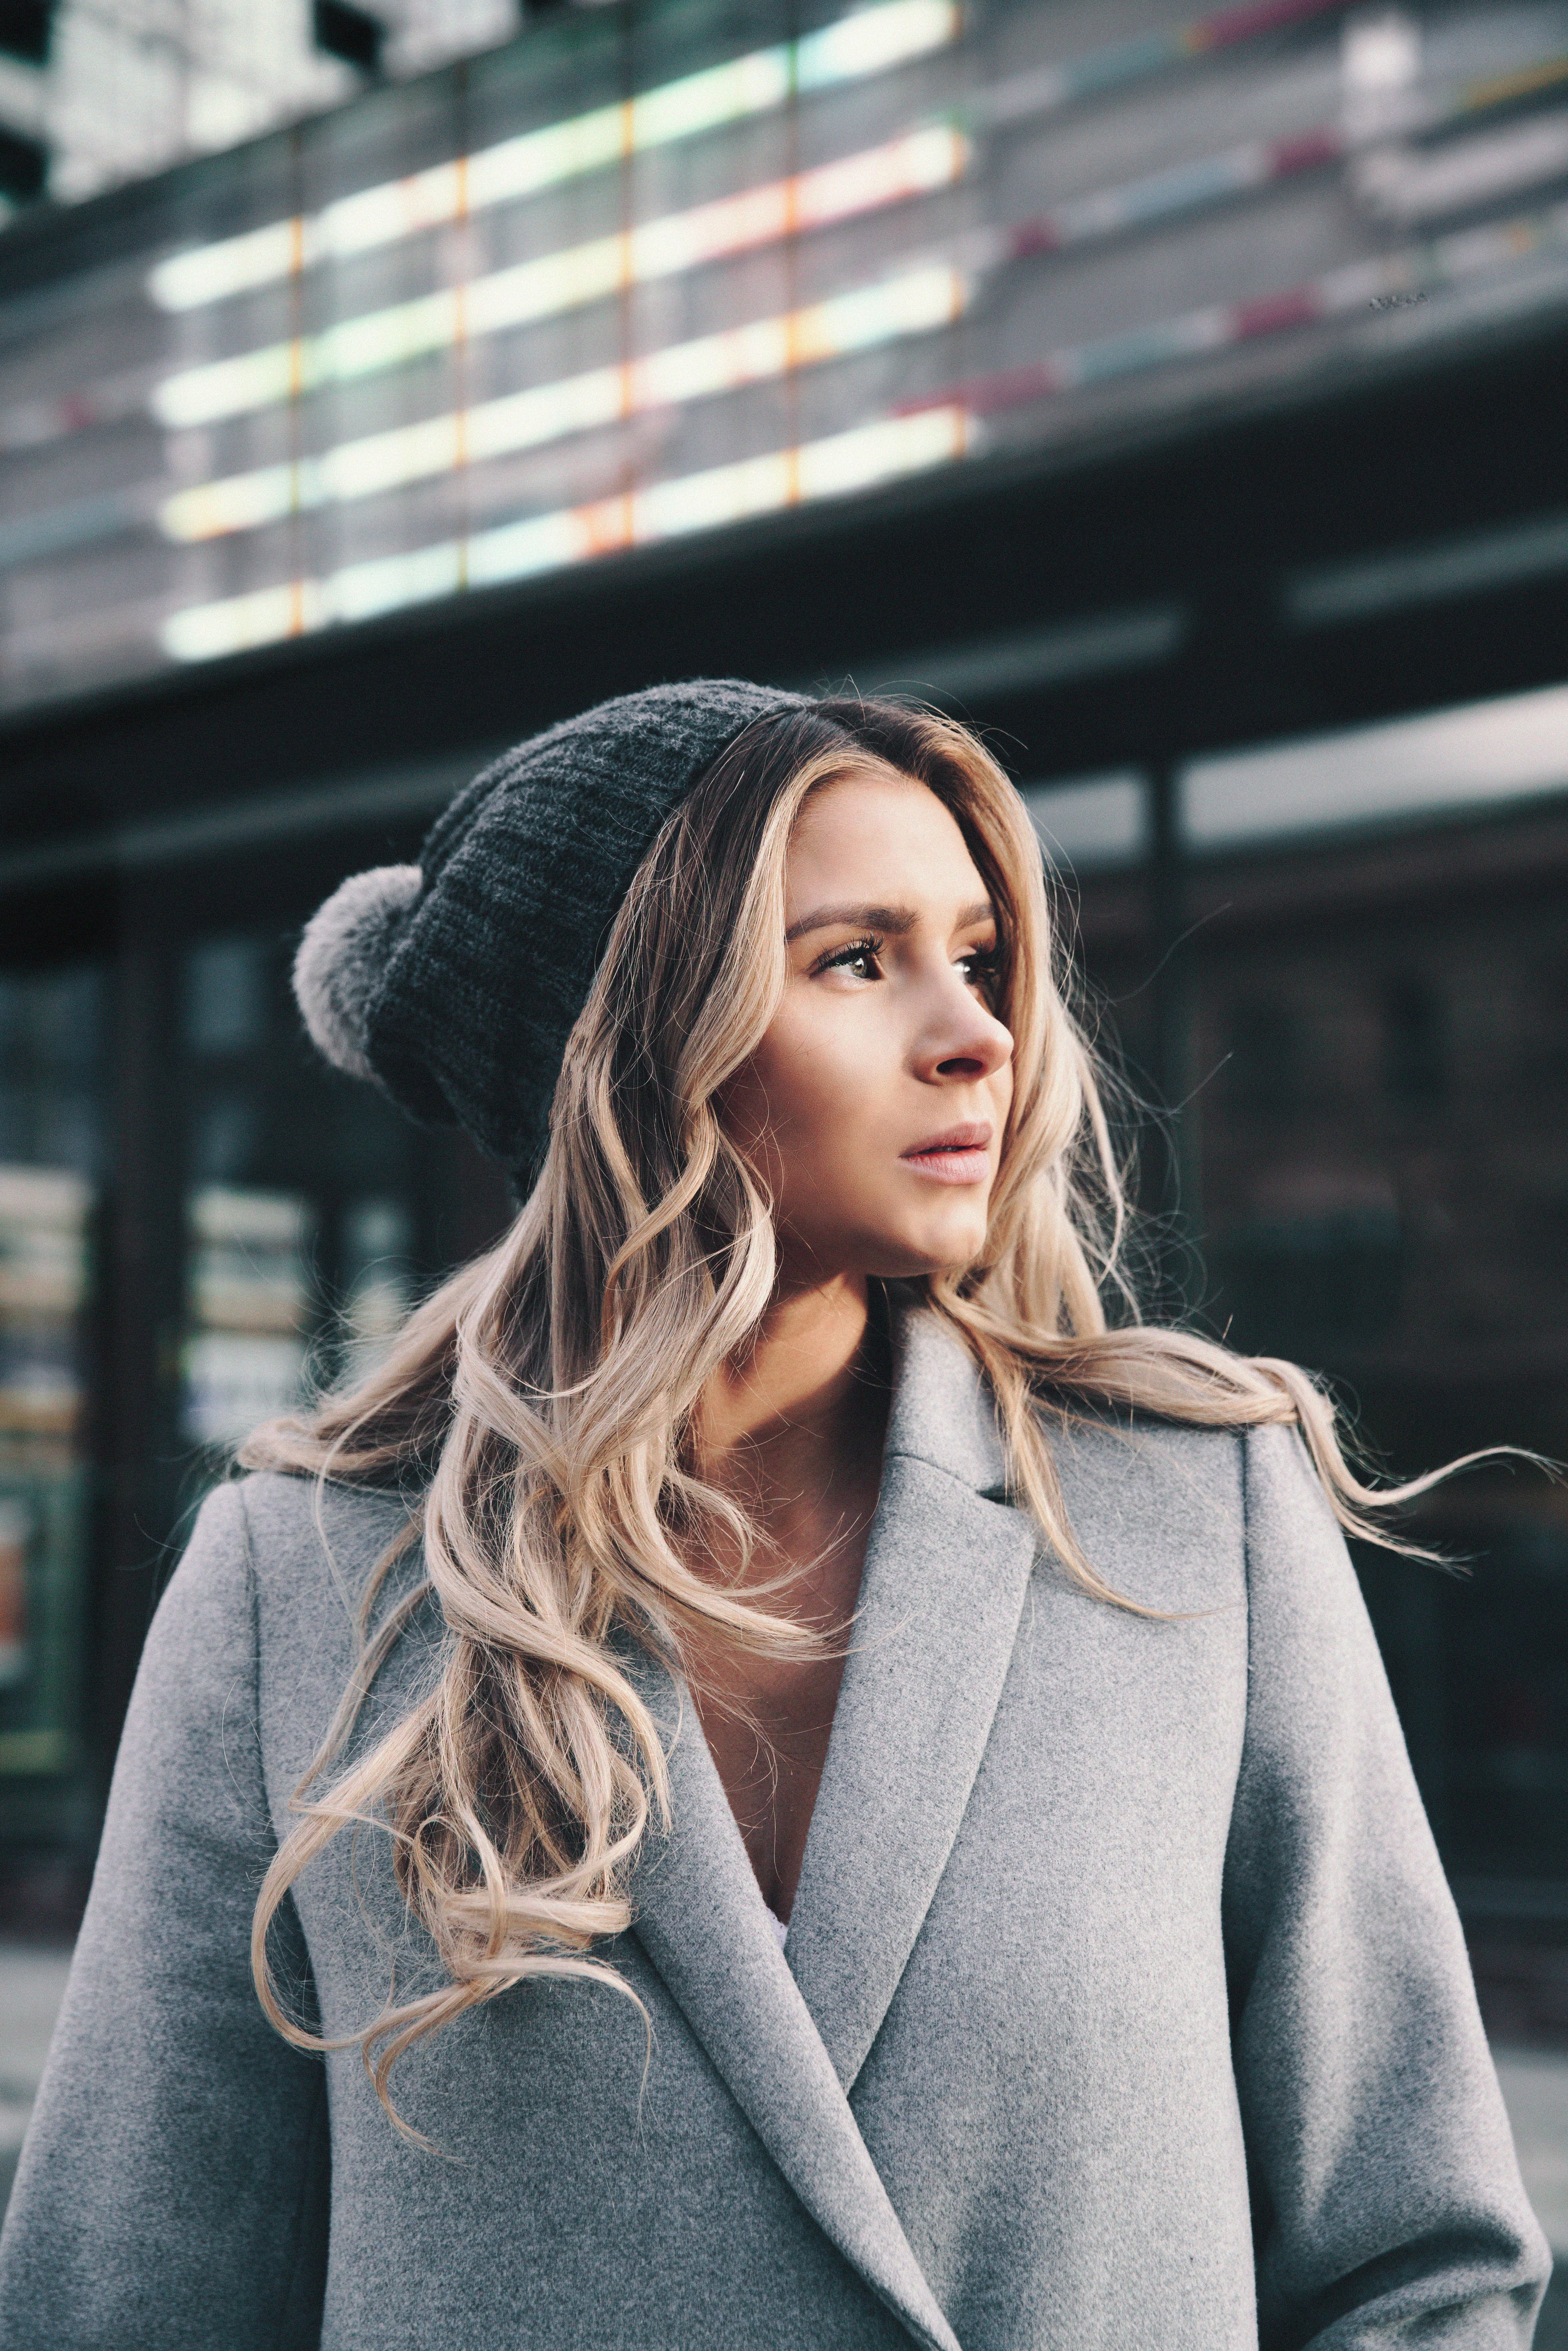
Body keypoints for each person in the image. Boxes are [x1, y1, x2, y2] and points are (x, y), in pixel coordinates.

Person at [0, 682, 1550, 2349]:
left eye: (976, 956)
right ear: (624, 1037)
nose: (974, 1033)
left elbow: (1413, 2255)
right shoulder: (306, 1575)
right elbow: (123, 2294)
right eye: (853, 959)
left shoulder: (1191, 1515)